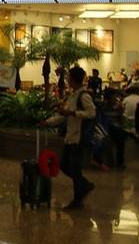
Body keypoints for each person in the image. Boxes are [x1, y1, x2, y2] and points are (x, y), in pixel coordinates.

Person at [41, 66, 96, 210]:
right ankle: (84, 185)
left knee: (74, 169)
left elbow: (91, 113)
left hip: (78, 138)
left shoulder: (84, 95)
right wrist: (48, 122)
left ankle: (78, 200)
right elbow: (63, 115)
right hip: (70, 137)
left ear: (74, 78)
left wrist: (73, 113)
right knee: (65, 165)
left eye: (69, 77)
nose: (67, 79)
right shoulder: (73, 95)